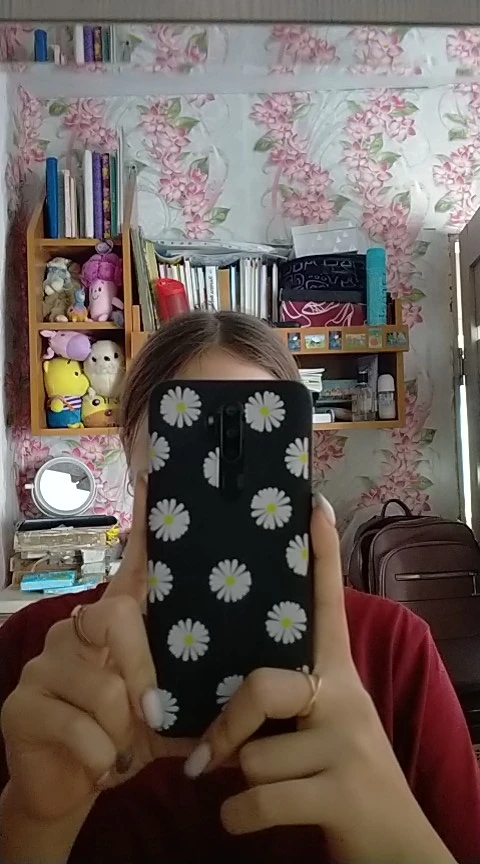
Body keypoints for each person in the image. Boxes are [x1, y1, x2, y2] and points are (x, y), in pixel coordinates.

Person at [0, 311, 478, 864]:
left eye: (258, 462)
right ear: (134, 466)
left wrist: (393, 830)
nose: (220, 499)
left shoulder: (394, 649)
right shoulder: (38, 652)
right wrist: (31, 823)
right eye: (183, 463)